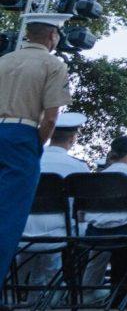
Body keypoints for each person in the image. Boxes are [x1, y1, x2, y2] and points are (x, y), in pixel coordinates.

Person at [0, 11, 73, 311]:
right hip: (22, 134)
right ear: (52, 36)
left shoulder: (3, 61)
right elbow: (52, 115)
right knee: (8, 216)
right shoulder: (52, 64)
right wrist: (38, 142)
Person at [16, 111, 89, 287]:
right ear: (72, 139)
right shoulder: (78, 167)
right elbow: (84, 207)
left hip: (23, 228)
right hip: (60, 232)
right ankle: (68, 286)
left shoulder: (28, 160)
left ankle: (18, 289)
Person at [81, 135, 127, 301]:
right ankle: (123, 293)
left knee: (97, 255)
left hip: (95, 233)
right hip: (124, 233)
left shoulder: (94, 179)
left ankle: (87, 291)